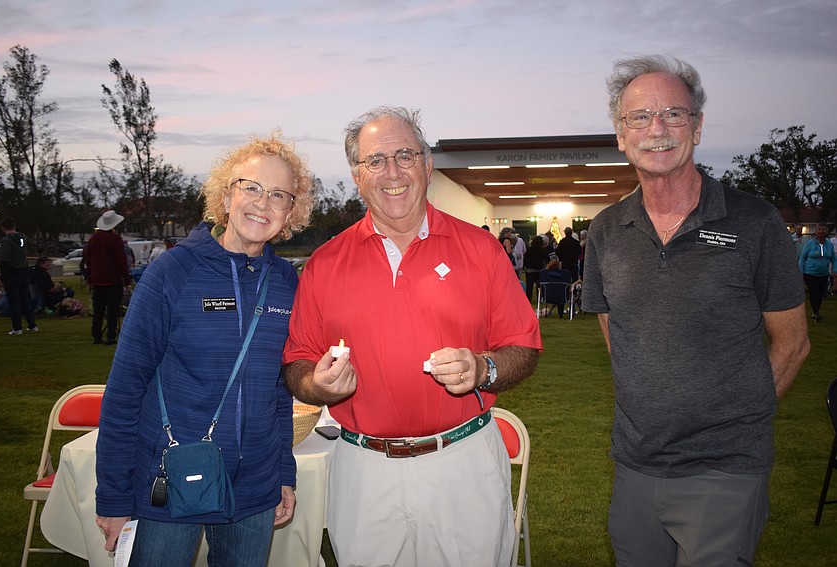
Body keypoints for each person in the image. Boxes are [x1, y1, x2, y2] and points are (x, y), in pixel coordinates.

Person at [282, 106, 542, 567]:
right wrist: (316, 385)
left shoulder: (481, 250)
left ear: (427, 165)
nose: (393, 172)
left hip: (463, 462)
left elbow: (523, 348)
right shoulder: (324, 263)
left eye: (405, 155)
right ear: (357, 176)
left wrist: (484, 368)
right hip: (364, 471)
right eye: (375, 161)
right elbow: (298, 361)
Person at [581, 55, 810, 566]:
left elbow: (793, 344)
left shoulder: (754, 222)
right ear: (620, 135)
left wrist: (734, 416)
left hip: (725, 471)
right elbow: (620, 341)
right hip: (635, 469)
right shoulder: (605, 231)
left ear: (698, 127)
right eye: (639, 117)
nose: (656, 129)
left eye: (674, 114)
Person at [95, 133, 315, 566]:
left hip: (253, 488)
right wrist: (115, 495)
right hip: (168, 481)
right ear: (225, 193)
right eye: (250, 187)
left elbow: (277, 393)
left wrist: (281, 475)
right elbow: (124, 390)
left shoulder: (288, 283)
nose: (262, 203)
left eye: (278, 194)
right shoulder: (172, 273)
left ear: (292, 210)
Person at [84, 210, 131, 345]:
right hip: (113, 280)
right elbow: (121, 262)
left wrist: (90, 279)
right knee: (112, 310)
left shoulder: (93, 239)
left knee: (98, 310)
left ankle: (97, 336)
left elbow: (89, 260)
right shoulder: (115, 240)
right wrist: (126, 280)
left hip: (98, 281)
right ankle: (111, 335)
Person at [0, 217, 37, 335]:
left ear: (3, 228)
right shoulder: (22, 238)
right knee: (24, 299)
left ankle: (17, 327)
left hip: (12, 273)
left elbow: (5, 260)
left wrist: (3, 277)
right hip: (23, 271)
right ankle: (32, 324)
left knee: (13, 301)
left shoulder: (6, 241)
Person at [799, 223, 834, 322]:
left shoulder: (829, 245)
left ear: (826, 231)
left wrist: (835, 270)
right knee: (814, 292)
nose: (821, 231)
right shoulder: (810, 244)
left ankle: (816, 311)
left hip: (823, 273)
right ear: (816, 231)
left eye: (823, 229)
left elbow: (834, 259)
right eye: (819, 229)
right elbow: (802, 258)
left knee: (820, 294)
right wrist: (801, 272)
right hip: (810, 273)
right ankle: (816, 312)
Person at [523, 235, 547, 302]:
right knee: (539, 286)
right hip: (539, 270)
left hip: (530, 270)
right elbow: (546, 258)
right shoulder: (541, 250)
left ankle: (528, 299)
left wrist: (525, 266)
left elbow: (526, 259)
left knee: (529, 286)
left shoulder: (529, 250)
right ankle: (539, 298)